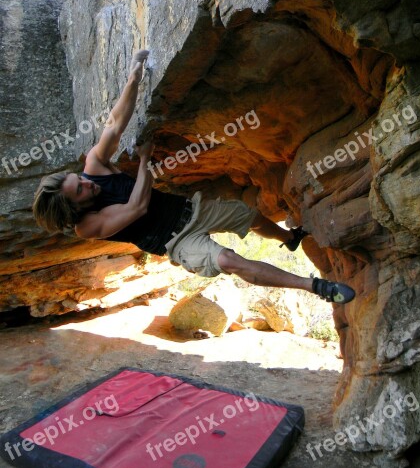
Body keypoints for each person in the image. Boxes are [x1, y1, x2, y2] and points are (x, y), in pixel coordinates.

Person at [33, 51, 355, 304]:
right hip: (177, 240)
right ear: (74, 208)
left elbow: (114, 124)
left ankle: (290, 239)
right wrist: (145, 159)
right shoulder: (86, 226)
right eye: (81, 190)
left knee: (252, 217)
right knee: (228, 260)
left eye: (79, 179)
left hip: (191, 209)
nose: (87, 181)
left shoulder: (94, 165)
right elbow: (136, 207)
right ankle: (316, 287)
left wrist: (133, 78)